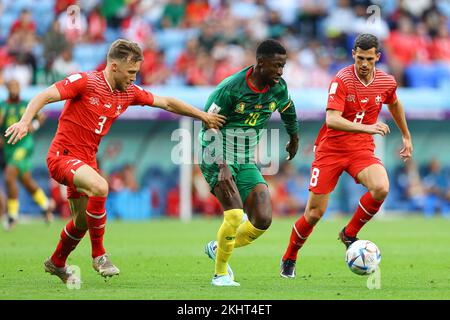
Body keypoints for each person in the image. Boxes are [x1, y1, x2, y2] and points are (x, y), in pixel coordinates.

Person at [4, 39, 226, 285]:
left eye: (136, 72)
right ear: (113, 66)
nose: (133, 77)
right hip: (62, 156)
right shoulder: (85, 82)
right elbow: (45, 95)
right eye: (130, 72)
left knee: (81, 222)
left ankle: (56, 262)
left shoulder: (129, 93)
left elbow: (167, 102)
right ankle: (99, 255)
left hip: (86, 162)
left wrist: (202, 115)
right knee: (101, 187)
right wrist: (25, 121)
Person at [279, 33, 413, 278]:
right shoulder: (341, 80)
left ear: (377, 58)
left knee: (381, 187)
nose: (363, 64)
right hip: (330, 150)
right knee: (314, 213)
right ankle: (289, 256)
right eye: (360, 58)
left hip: (360, 149)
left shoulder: (386, 81)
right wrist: (369, 127)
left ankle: (349, 233)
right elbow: (332, 120)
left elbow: (394, 103)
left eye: (369, 59)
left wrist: (406, 135)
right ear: (353, 54)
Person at [200, 39, 300, 286]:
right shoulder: (231, 88)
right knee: (234, 215)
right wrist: (222, 165)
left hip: (244, 158)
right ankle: (220, 275)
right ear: (260, 63)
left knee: (263, 218)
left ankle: (218, 246)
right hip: (216, 154)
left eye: (283, 66)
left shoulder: (278, 88)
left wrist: (294, 137)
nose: (280, 71)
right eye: (276, 66)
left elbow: (288, 109)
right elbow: (207, 125)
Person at [0, 79, 54, 230]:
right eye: (12, 86)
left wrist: (33, 126)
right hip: (9, 147)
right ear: (7, 88)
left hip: (24, 145)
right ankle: (45, 205)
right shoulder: (3, 106)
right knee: (25, 180)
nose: (15, 88)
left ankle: (12, 216)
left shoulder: (26, 105)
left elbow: (41, 117)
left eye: (17, 85)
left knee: (9, 175)